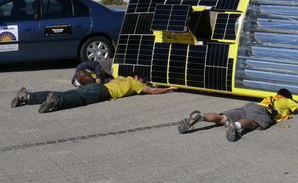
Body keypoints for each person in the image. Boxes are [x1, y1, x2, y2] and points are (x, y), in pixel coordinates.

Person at [177, 88, 298, 141]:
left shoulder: (271, 97)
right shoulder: (287, 101)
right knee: (252, 123)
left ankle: (200, 117)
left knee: (222, 118)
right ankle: (236, 127)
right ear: (288, 97)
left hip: (250, 105)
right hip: (261, 112)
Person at [10, 74, 177, 113]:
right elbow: (153, 91)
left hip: (96, 86)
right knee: (80, 99)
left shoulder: (121, 77)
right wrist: (169, 89)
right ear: (140, 79)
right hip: (102, 92)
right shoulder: (136, 83)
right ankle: (57, 102)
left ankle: (28, 97)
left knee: (68, 92)